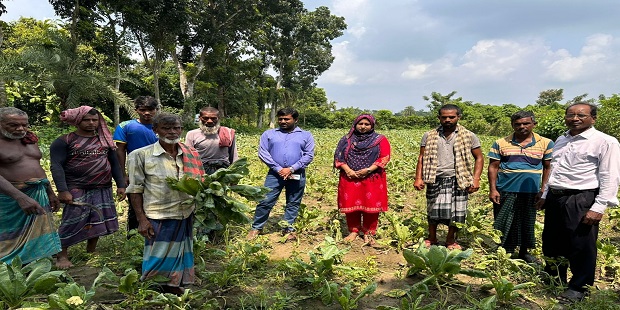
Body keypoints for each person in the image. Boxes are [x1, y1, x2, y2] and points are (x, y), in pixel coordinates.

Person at [535, 102, 620, 303]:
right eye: (570, 115)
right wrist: (546, 194)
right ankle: (554, 277)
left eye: (581, 115)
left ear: (593, 118)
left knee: (581, 243)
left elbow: (610, 176)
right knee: (553, 240)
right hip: (556, 196)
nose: (575, 119)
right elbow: (555, 169)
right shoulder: (562, 139)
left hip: (581, 197)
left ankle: (579, 287)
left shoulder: (605, 142)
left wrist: (599, 206)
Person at [126, 113, 204, 295]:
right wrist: (141, 219)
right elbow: (135, 189)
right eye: (166, 128)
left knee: (180, 251)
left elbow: (201, 181)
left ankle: (174, 285)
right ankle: (152, 287)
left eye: (176, 128)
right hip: (158, 214)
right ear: (155, 130)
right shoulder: (141, 155)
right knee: (158, 254)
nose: (171, 132)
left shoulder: (190, 154)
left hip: (185, 212)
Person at [50, 106, 126, 269]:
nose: (91, 123)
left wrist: (121, 185)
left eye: (94, 120)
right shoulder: (65, 141)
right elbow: (56, 166)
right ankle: (61, 255)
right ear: (78, 121)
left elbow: (114, 164)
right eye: (87, 120)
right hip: (77, 187)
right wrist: (63, 190)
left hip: (102, 187)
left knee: (97, 218)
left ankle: (91, 251)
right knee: (71, 220)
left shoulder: (104, 140)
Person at [413, 104, 484, 250]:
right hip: (435, 177)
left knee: (457, 212)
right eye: (444, 117)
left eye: (451, 117)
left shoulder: (469, 136)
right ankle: (432, 238)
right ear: (439, 118)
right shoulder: (429, 135)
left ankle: (450, 240)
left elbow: (479, 158)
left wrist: (475, 179)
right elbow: (421, 157)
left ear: (458, 117)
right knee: (433, 210)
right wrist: (418, 177)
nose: (448, 120)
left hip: (459, 179)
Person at [487, 111, 553, 262]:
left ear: (533, 124)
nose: (521, 127)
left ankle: (524, 252)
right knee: (503, 220)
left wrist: (543, 191)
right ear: (512, 125)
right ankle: (504, 251)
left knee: (527, 222)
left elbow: (548, 168)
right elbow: (493, 167)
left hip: (531, 191)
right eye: (517, 124)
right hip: (505, 188)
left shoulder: (546, 143)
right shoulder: (500, 142)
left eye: (525, 123)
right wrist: (493, 189)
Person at [0, 107, 62, 264]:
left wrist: (50, 192)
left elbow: (37, 166)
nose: (20, 129)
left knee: (38, 236)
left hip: (38, 193)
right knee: (8, 238)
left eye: (24, 125)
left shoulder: (29, 139)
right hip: (9, 199)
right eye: (13, 125)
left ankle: (34, 267)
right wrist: (20, 197)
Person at [246, 107, 315, 241]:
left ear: (295, 120)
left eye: (287, 119)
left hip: (296, 173)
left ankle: (288, 228)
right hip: (275, 174)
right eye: (280, 119)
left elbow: (309, 155)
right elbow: (263, 153)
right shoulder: (269, 134)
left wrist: (292, 168)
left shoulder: (306, 135)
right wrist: (278, 168)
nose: (283, 121)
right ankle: (256, 228)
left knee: (293, 202)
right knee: (266, 200)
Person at [334, 114, 391, 245]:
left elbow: (384, 157)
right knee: (351, 204)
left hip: (372, 177)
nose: (363, 127)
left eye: (367, 124)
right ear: (355, 124)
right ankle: (353, 231)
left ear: (372, 126)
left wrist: (369, 170)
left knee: (371, 206)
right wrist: (348, 170)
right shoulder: (346, 139)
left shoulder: (380, 139)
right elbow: (339, 157)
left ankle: (369, 233)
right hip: (349, 176)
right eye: (361, 124)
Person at [113, 96, 159, 233]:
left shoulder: (164, 125)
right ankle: (134, 234)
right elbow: (120, 151)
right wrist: (123, 175)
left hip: (160, 170)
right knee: (135, 201)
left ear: (156, 110)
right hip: (136, 170)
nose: (147, 113)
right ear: (136, 110)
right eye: (143, 110)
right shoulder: (125, 126)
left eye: (151, 110)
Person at [185, 106, 239, 174]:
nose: (210, 121)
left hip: (224, 171)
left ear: (218, 119)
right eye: (205, 118)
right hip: (201, 171)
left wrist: (235, 173)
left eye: (213, 118)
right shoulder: (192, 134)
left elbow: (234, 156)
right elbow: (188, 158)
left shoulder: (228, 133)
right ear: (200, 118)